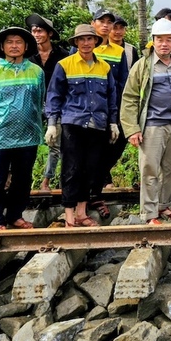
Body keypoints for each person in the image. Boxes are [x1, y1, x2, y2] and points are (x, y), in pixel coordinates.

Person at [120, 18, 171, 225]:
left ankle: (163, 205)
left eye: (168, 39)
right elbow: (129, 98)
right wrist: (132, 129)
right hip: (152, 126)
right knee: (150, 170)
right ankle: (149, 214)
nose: (164, 44)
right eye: (160, 39)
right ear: (153, 41)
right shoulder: (143, 66)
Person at [46, 24, 119, 228]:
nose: (86, 43)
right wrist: (52, 124)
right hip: (73, 124)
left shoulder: (104, 67)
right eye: (82, 39)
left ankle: (81, 212)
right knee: (71, 169)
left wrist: (113, 122)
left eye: (90, 39)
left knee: (91, 168)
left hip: (97, 124)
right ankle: (69, 216)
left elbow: (111, 97)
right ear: (76, 42)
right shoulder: (65, 65)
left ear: (96, 41)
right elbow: (54, 95)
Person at [0, 27, 45, 229]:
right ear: (2, 46)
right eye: (10, 42)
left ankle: (15, 215)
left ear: (26, 46)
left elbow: (39, 99)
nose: (14, 46)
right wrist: (0, 120)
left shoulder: (37, 72)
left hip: (28, 134)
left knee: (22, 180)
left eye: (19, 42)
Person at [87, 8, 129, 217]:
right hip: (85, 113)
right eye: (101, 21)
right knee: (85, 155)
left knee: (114, 147)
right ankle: (88, 197)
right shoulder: (83, 48)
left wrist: (119, 115)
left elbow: (123, 84)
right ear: (93, 23)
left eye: (109, 22)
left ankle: (95, 191)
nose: (105, 25)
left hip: (110, 112)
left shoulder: (118, 52)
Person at [26, 13, 70, 192]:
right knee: (28, 144)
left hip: (58, 106)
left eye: (40, 31)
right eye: (34, 31)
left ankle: (47, 181)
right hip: (32, 106)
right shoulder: (28, 57)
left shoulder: (63, 55)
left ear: (49, 34)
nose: (36, 34)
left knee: (55, 145)